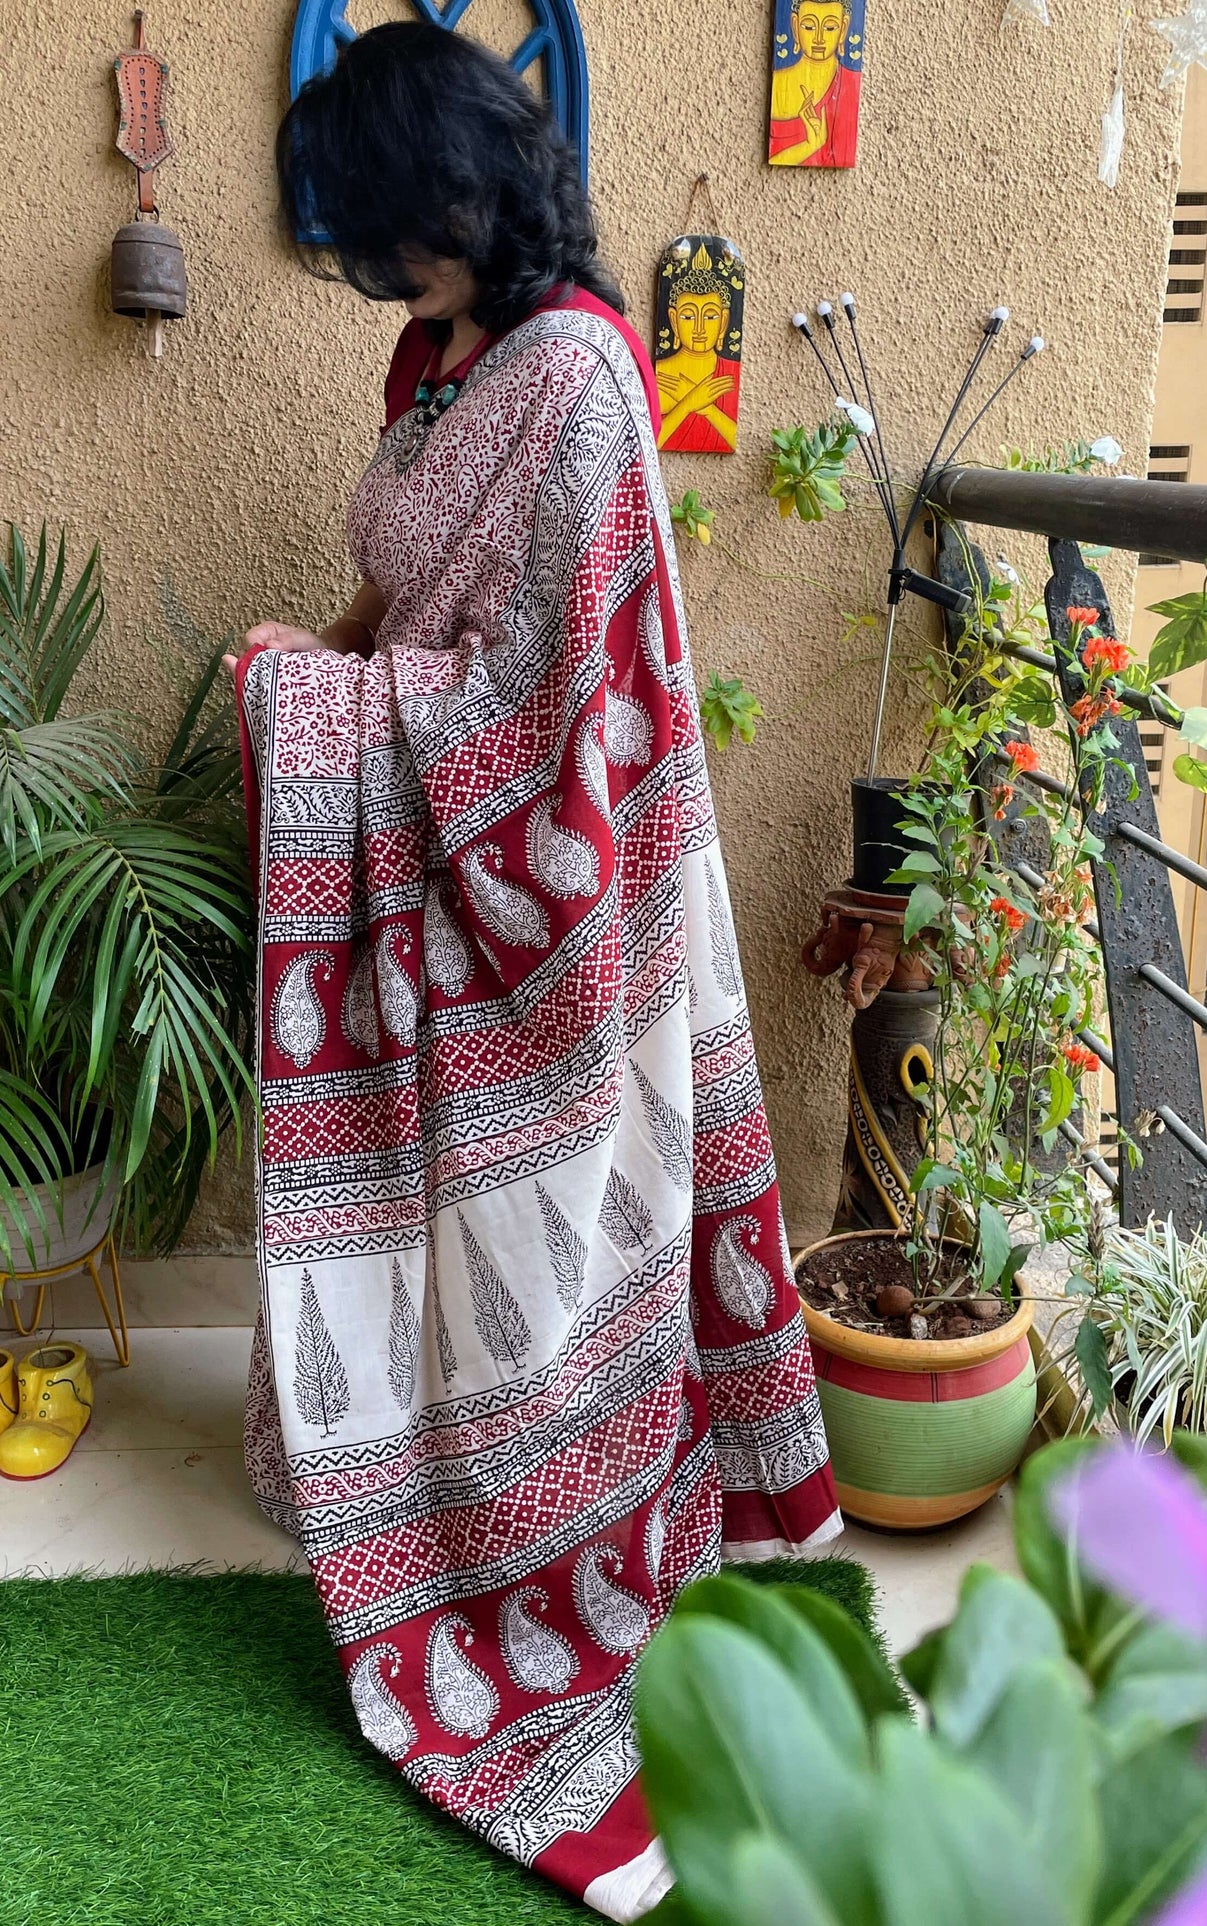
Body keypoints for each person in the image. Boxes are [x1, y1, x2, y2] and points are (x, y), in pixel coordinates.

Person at [230, 23, 839, 1920]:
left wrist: (311, 706)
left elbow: (541, 707)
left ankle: (534, 1524)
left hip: (552, 894)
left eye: (379, 229)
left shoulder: (577, 377)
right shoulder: (438, 361)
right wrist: (308, 662)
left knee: (545, 1217)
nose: (361, 270)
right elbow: (413, 603)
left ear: (464, 194)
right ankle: (390, 1454)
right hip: (423, 835)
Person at [653, 242, 740, 453]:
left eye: (710, 316)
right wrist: (688, 404)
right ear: (673, 320)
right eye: (688, 316)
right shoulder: (661, 375)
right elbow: (653, 442)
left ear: (724, 321)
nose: (699, 328)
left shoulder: (729, 373)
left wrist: (704, 407)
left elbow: (730, 440)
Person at [768, 0, 862, 167]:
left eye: (830, 27)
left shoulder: (848, 87)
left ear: (843, 29)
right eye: (809, 27)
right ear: (795, 27)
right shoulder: (779, 87)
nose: (819, 38)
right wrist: (809, 146)